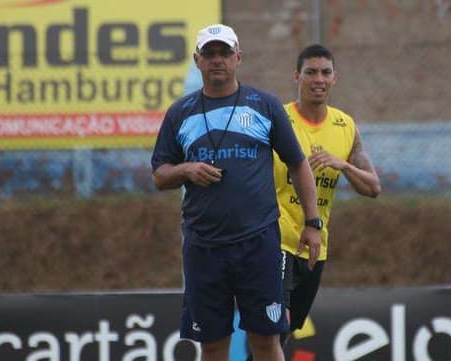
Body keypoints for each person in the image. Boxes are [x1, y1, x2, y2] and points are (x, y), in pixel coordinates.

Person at [150, 24, 321, 361]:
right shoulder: (179, 113)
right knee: (212, 345)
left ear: (238, 57)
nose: (217, 60)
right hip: (204, 248)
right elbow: (160, 174)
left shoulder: (264, 105)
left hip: (258, 244)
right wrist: (187, 170)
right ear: (197, 60)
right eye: (209, 54)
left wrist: (312, 223)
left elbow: (298, 164)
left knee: (266, 340)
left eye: (224, 53)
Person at [244, 44, 382, 360]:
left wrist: (344, 165)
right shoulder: (277, 118)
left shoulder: (345, 127)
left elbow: (374, 187)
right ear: (297, 76)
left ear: (335, 79)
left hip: (314, 246)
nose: (318, 79)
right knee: (275, 326)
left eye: (325, 72)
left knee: (282, 334)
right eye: (310, 72)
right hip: (273, 239)